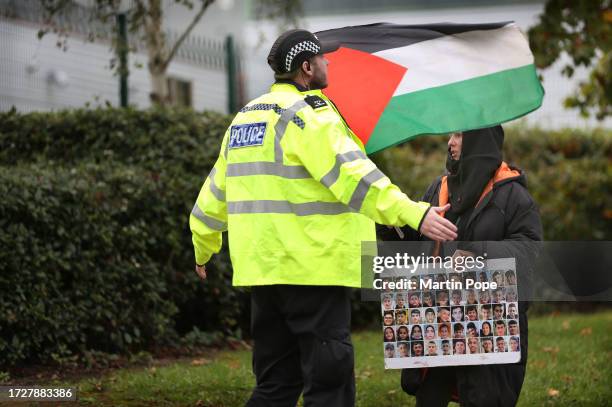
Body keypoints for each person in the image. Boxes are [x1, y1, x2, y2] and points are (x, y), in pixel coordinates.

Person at [190, 28, 458, 407]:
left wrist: (203, 246)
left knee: (275, 384)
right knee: (329, 386)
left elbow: (214, 194)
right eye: (321, 58)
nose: (328, 62)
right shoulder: (310, 116)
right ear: (306, 68)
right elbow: (355, 178)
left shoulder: (243, 120)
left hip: (265, 276)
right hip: (314, 272)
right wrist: (415, 214)